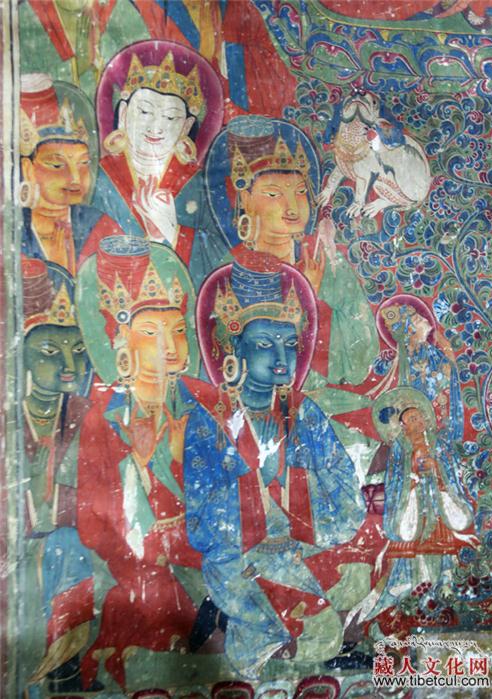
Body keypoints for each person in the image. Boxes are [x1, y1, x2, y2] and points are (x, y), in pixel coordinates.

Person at [183, 260, 369, 678]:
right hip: (239, 556)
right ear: (236, 349)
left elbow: (345, 491)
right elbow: (199, 522)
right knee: (283, 632)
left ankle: (298, 634)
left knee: (355, 577)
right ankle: (244, 627)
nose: (283, 357)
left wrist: (301, 509)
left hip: (302, 545)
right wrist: (255, 486)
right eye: (265, 344)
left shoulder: (305, 413)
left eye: (290, 343)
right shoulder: (210, 420)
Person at [204, 115, 380, 473]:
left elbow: (361, 357)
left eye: (300, 192)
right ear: (245, 200)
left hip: (326, 405)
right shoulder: (228, 275)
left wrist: (320, 304)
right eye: (273, 194)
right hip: (255, 412)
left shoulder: (329, 263)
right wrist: (305, 302)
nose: (292, 206)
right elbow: (223, 358)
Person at [76, 237, 206, 690]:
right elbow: (92, 524)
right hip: (135, 560)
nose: (169, 345)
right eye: (150, 332)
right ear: (119, 342)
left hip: (203, 550)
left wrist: (179, 459)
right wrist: (137, 465)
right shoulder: (104, 419)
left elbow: (236, 492)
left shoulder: (202, 405)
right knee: (150, 616)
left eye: (177, 329)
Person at [20, 257, 100, 694]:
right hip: (18, 562)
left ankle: (66, 669)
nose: (70, 363)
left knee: (67, 543)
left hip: (70, 557)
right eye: (51, 351)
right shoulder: (11, 419)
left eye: (78, 349)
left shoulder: (87, 416)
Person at [89, 41, 227, 282]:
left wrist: (172, 231)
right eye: (144, 112)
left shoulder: (199, 186)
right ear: (123, 114)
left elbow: (220, 256)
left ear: (186, 127)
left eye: (171, 117)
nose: (156, 127)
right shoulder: (99, 178)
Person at [347, 387, 474, 625]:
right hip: (413, 506)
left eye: (419, 417)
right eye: (411, 420)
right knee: (416, 554)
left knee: (442, 552)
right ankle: (416, 598)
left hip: (438, 503)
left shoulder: (438, 442)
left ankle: (444, 593)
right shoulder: (400, 447)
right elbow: (395, 478)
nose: (417, 422)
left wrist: (437, 470)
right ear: (403, 426)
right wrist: (412, 476)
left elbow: (452, 470)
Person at [19, 73, 123, 275]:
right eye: (57, 165)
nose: (75, 177)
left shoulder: (100, 228)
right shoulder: (10, 231)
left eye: (83, 163)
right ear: (28, 168)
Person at [377, 295, 463, 440]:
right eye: (418, 320)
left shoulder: (433, 353)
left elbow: (451, 374)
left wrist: (447, 348)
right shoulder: (405, 365)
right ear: (410, 331)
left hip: (443, 417)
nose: (425, 320)